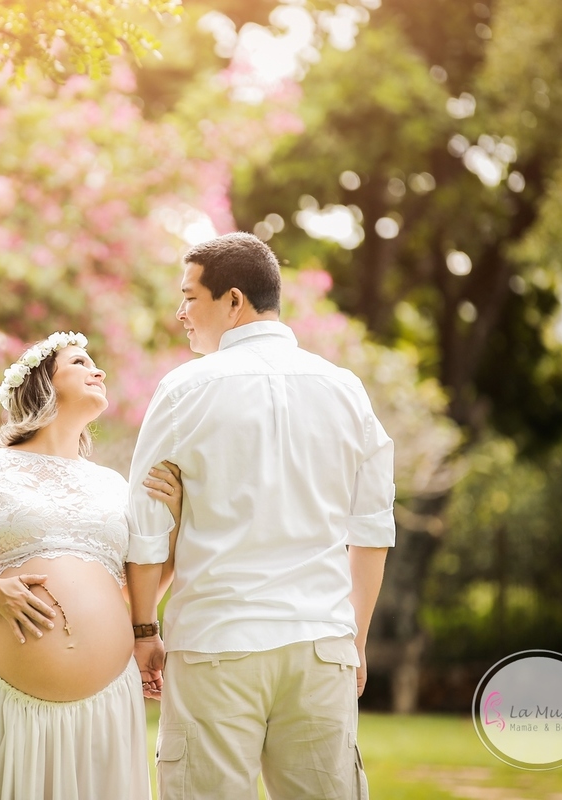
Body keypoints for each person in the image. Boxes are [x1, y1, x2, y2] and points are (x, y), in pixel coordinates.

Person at [126, 232, 395, 800]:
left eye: (189, 297)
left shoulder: (183, 390)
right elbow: (371, 531)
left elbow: (145, 527)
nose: (180, 313)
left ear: (233, 301)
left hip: (217, 643)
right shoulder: (346, 389)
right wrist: (355, 640)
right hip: (321, 644)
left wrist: (145, 628)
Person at [0, 331, 182, 800]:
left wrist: (175, 526)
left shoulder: (114, 485)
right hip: (2, 693)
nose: (97, 371)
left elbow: (131, 590)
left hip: (106, 700)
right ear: (44, 384)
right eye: (80, 362)